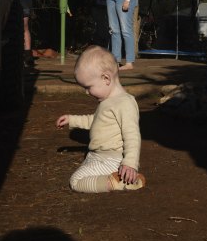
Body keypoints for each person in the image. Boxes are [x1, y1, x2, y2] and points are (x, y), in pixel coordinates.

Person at [55, 45, 145, 193]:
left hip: (110, 159)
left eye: (89, 87)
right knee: (84, 171)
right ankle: (120, 179)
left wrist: (130, 163)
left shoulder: (124, 103)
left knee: (76, 181)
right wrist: (71, 120)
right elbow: (95, 121)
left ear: (106, 78)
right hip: (97, 157)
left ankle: (117, 183)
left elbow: (132, 136)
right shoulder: (108, 101)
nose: (86, 92)